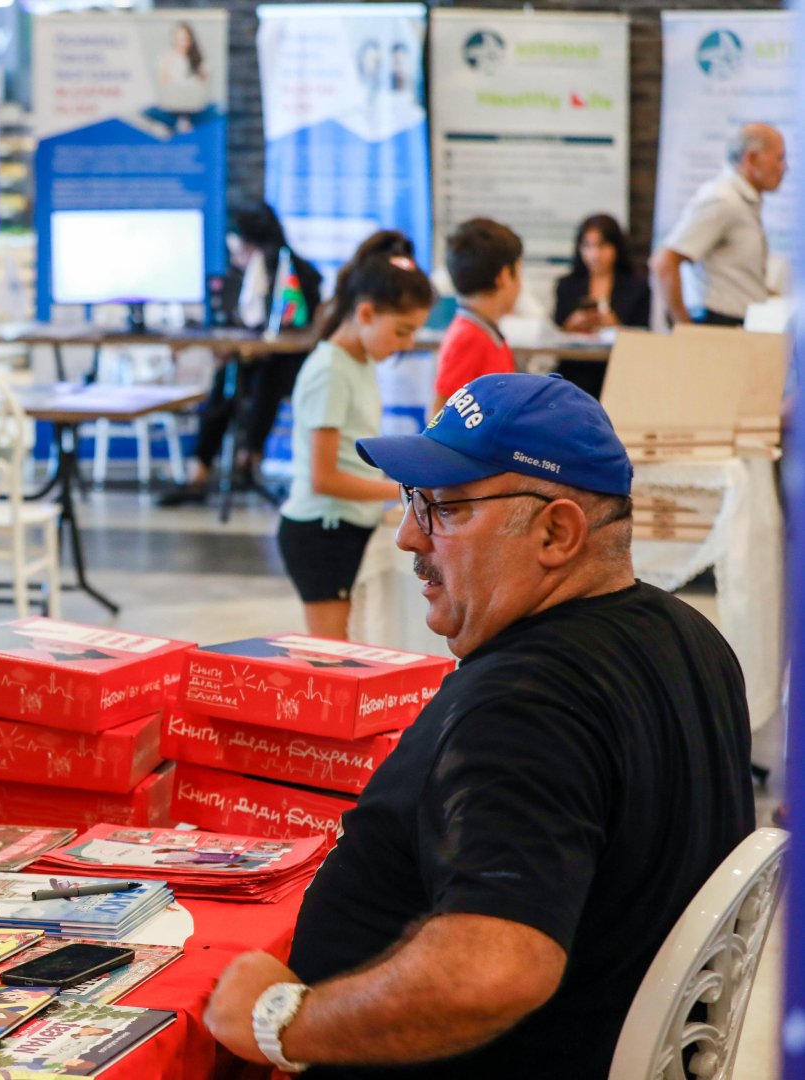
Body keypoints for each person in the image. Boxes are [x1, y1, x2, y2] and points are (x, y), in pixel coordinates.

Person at [204, 373, 753, 1078]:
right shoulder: (688, 638)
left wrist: (283, 1022)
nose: (407, 536)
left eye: (445, 508)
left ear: (556, 532)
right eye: (413, 501)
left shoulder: (524, 703)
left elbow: (494, 970)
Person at [276, 233, 433, 640]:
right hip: (321, 534)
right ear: (365, 313)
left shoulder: (357, 360)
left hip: (346, 527)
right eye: (401, 331)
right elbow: (323, 478)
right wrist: (401, 491)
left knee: (353, 651)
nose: (408, 344)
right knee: (330, 664)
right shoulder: (329, 370)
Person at [161, 204, 323, 506]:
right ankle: (200, 469)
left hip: (287, 362)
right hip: (247, 360)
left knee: (266, 380)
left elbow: (302, 324)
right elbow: (232, 319)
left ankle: (249, 460)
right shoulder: (239, 275)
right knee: (225, 383)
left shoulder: (295, 271)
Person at [652, 122, 787, 326]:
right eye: (779, 158)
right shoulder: (723, 199)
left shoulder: (743, 201)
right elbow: (664, 262)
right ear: (751, 158)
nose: (784, 168)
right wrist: (684, 326)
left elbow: (734, 279)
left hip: (742, 324)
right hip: (718, 326)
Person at [552, 213, 650, 399]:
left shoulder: (637, 286)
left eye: (602, 246)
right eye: (587, 246)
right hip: (576, 369)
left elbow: (643, 332)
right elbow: (554, 331)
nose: (594, 254)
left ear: (617, 247)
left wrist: (615, 325)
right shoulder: (567, 285)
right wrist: (571, 325)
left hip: (619, 368)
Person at [431, 217, 520, 413]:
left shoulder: (485, 331)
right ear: (504, 276)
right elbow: (438, 414)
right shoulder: (468, 337)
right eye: (519, 272)